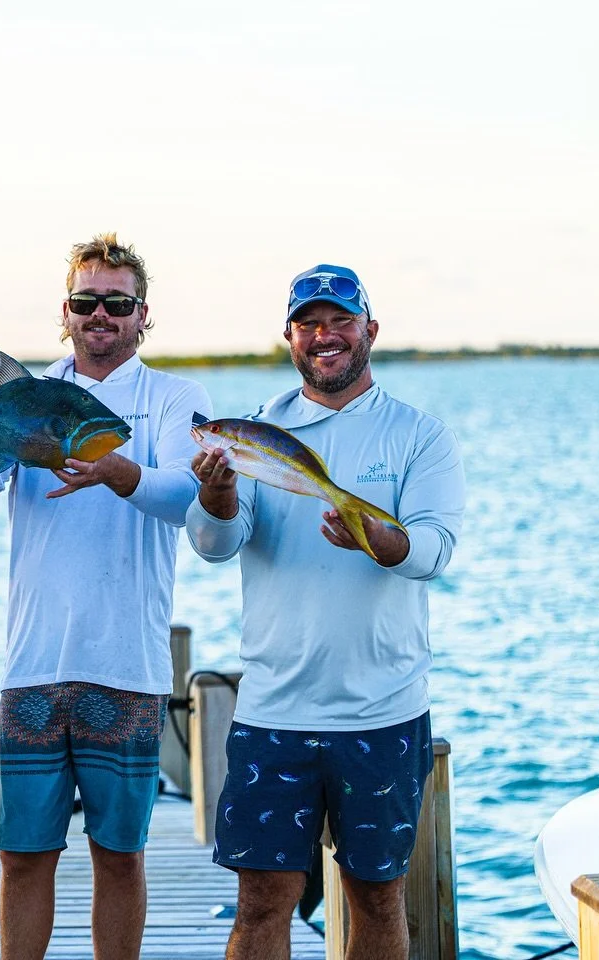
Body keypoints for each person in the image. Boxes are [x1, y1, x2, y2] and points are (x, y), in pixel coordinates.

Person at [186, 264, 466, 960]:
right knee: (259, 903)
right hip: (273, 710)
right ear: (289, 337)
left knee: (377, 898)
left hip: (383, 712)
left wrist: (379, 538)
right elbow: (215, 543)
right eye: (309, 323)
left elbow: (433, 549)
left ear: (369, 329)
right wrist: (218, 498)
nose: (325, 335)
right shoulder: (256, 431)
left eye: (340, 320)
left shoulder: (417, 435)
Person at [0, 233, 211, 960]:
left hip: (128, 668)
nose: (101, 315)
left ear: (142, 314)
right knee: (23, 855)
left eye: (117, 303)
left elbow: (187, 498)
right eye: (86, 301)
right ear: (64, 312)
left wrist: (118, 473)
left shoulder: (174, 398)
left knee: (119, 854)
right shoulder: (25, 395)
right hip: (31, 667)